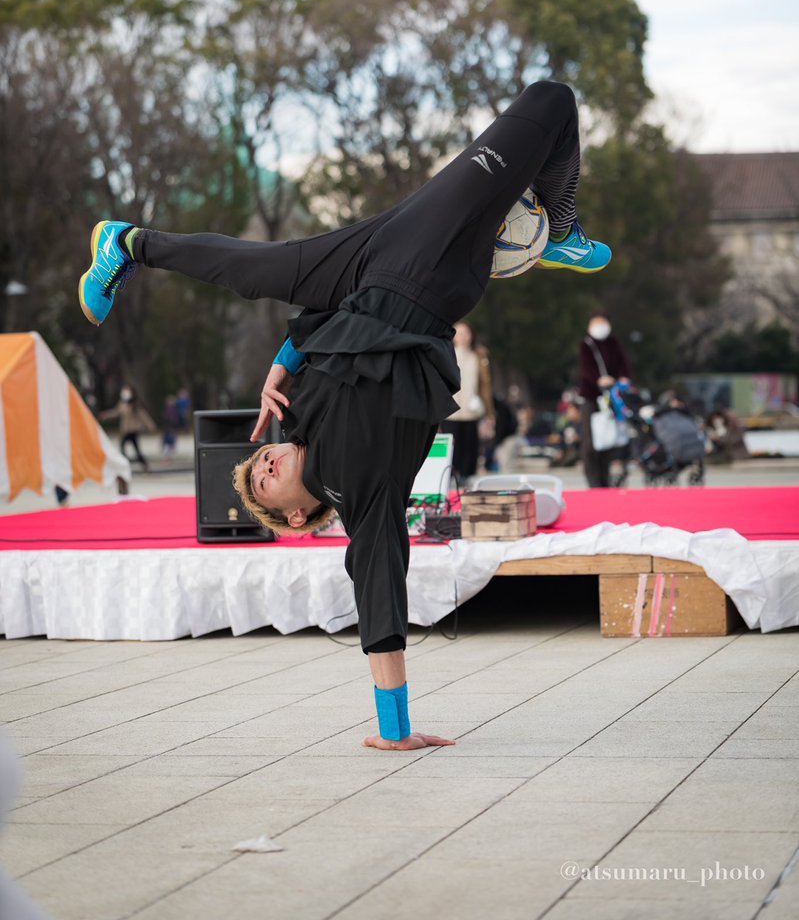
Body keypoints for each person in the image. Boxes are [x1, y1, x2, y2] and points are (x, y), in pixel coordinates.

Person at [78, 79, 611, 751]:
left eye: (255, 464)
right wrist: (395, 729)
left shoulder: (298, 409)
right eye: (262, 484)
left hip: (361, 265)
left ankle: (125, 242)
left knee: (249, 268)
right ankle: (554, 229)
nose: (262, 462)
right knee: (554, 100)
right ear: (297, 516)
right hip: (421, 276)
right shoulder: (360, 493)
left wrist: (284, 361)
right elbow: (379, 594)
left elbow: (322, 329)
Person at [578, 311, 631, 487]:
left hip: (612, 398)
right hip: (592, 397)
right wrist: (598, 380)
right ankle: (593, 481)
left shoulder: (614, 343)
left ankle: (605, 479)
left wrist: (624, 378)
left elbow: (624, 365)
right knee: (591, 441)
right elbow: (586, 369)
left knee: (609, 439)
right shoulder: (586, 345)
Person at [439, 322, 494, 482]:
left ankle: (467, 474)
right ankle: (450, 474)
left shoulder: (478, 356)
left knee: (470, 444)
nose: (463, 337)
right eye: (459, 333)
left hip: (472, 409)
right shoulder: (446, 353)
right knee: (452, 445)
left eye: (466, 333)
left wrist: (489, 411)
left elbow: (485, 385)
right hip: (451, 410)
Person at [100, 386, 155, 471]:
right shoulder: (122, 404)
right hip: (125, 430)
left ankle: (139, 465)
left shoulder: (135, 404)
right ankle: (132, 464)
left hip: (133, 430)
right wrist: (106, 415)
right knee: (125, 448)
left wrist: (150, 425)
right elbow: (116, 412)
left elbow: (143, 415)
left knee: (132, 449)